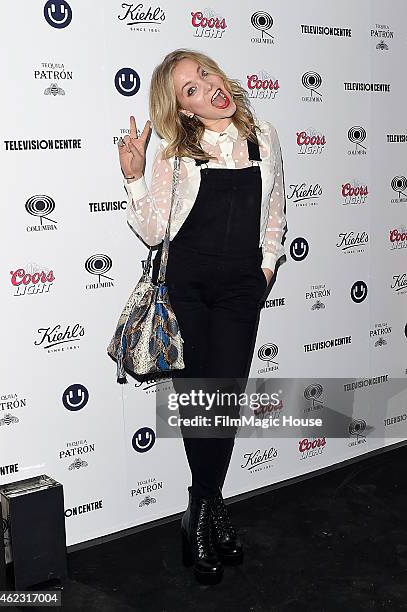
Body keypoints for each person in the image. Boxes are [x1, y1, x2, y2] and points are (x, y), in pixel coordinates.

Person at [117, 48, 287, 585]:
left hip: (240, 286)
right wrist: (136, 177)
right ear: (185, 110)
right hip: (187, 286)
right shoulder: (177, 152)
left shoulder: (264, 135)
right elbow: (151, 232)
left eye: (204, 74)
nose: (207, 87)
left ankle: (200, 509)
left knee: (225, 398)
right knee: (199, 401)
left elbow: (276, 206)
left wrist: (265, 267)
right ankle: (208, 512)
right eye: (190, 89)